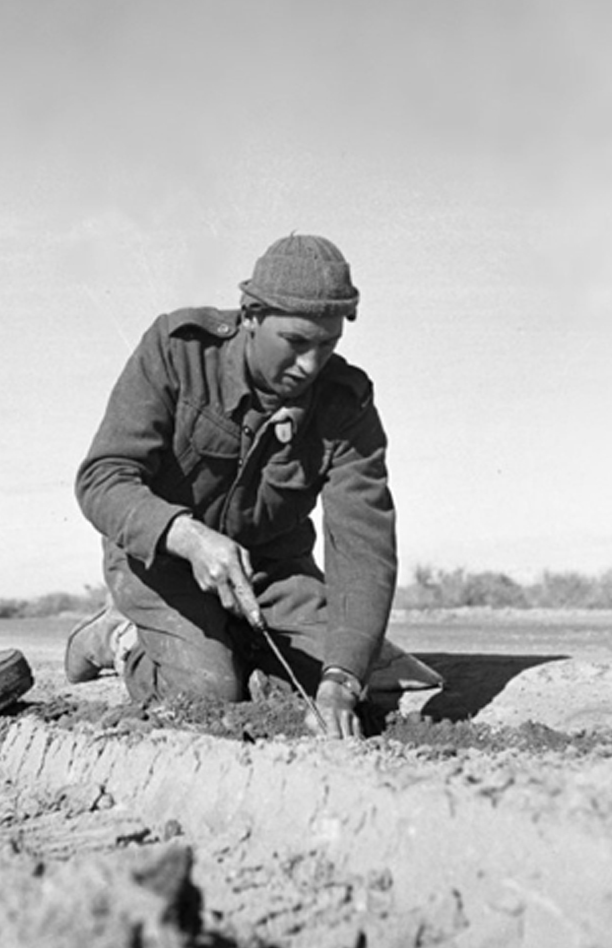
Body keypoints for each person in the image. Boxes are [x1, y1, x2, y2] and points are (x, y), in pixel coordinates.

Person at [65, 233, 438, 739]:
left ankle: (244, 645)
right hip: (161, 560)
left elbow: (363, 545)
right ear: (250, 316)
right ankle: (119, 638)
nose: (310, 364)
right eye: (296, 342)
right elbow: (102, 478)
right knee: (207, 692)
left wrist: (343, 678)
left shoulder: (345, 404)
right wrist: (189, 538)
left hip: (273, 573)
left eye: (327, 344)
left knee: (376, 685)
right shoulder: (179, 352)